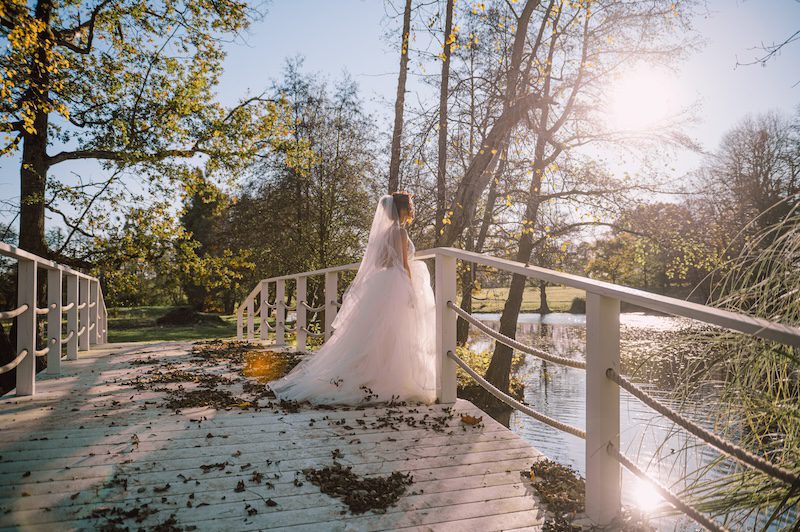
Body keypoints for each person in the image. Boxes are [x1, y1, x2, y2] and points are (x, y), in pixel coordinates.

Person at [268, 192, 437, 405]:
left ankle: (373, 376)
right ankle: (392, 380)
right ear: (402, 209)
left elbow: (380, 262)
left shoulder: (383, 234)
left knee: (379, 334)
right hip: (398, 283)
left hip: (384, 284)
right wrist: (411, 291)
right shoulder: (400, 233)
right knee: (396, 334)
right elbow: (403, 264)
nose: (412, 209)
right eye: (410, 206)